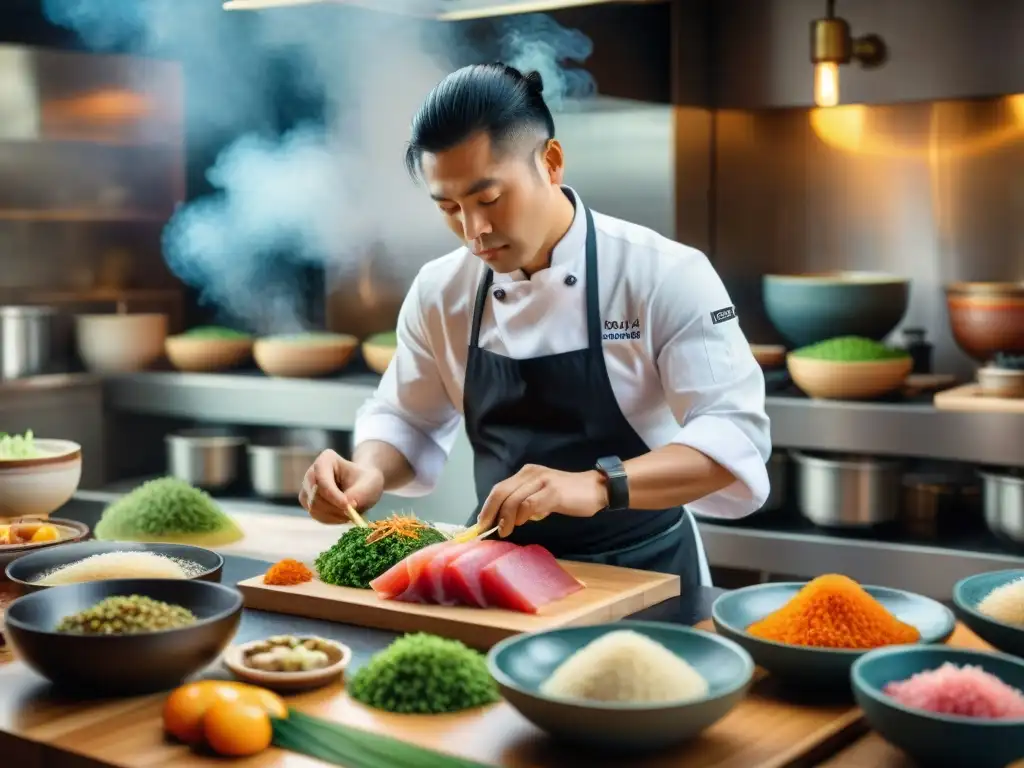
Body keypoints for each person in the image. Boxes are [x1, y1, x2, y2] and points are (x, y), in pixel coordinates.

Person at [300, 62, 771, 594]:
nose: (474, 231)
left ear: (550, 162)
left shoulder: (663, 273)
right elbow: (404, 417)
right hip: (497, 578)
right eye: (450, 207)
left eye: (490, 199)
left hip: (650, 573)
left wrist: (596, 485)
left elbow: (732, 440)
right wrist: (370, 471)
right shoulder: (440, 290)